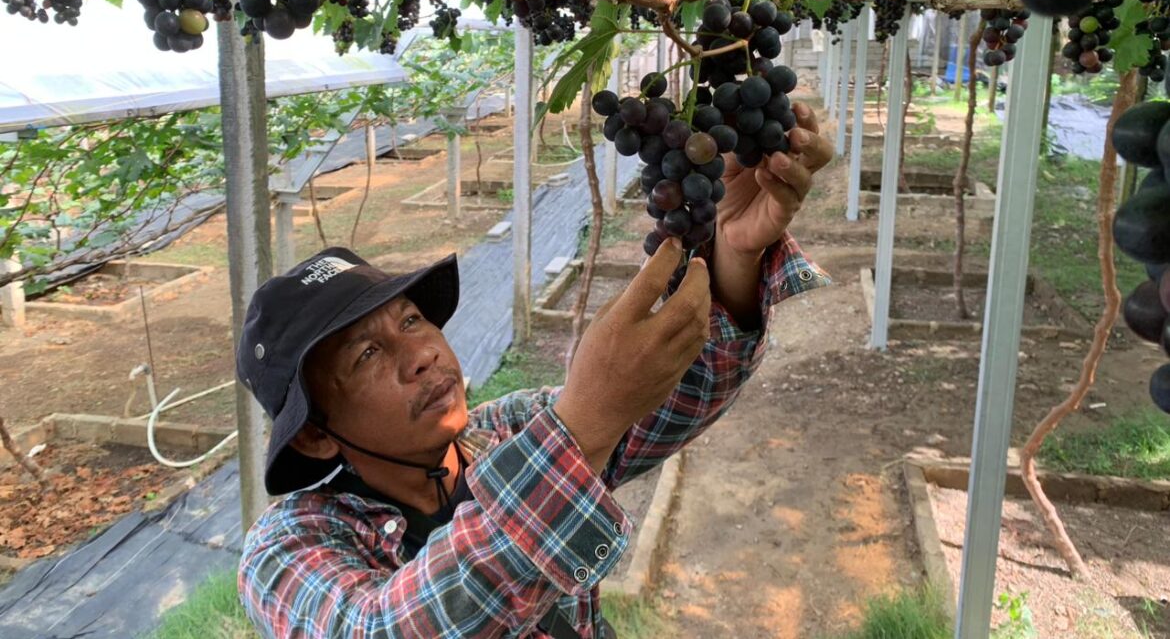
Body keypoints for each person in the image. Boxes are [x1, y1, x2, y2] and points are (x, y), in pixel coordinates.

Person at [236, 103, 833, 639]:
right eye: (366, 355)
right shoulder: (283, 552)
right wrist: (582, 426)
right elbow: (380, 628)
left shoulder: (509, 431)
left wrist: (734, 252)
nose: (420, 354)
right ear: (314, 432)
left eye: (413, 320)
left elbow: (680, 396)